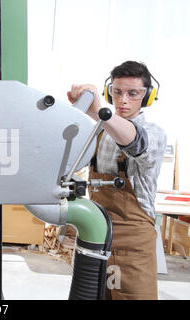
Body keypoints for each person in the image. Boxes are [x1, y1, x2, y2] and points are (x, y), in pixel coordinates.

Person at [67, 61, 167, 300]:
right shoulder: (99, 131)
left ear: (147, 97)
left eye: (133, 93)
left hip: (133, 246)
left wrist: (100, 111)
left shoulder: (153, 133)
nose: (123, 100)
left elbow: (135, 142)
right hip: (95, 238)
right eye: (117, 91)